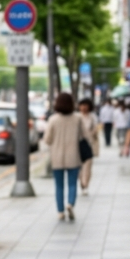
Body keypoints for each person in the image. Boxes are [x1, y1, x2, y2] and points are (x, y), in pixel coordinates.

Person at [42, 92, 84, 221]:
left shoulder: (53, 119)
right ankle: (70, 204)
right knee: (72, 184)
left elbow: (47, 139)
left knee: (59, 185)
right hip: (73, 156)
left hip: (57, 157)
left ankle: (60, 212)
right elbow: (82, 136)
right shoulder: (77, 119)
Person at [76, 98, 100, 195]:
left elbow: (95, 129)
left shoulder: (92, 117)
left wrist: (90, 135)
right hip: (77, 144)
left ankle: (85, 184)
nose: (84, 107)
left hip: (89, 143)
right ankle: (82, 182)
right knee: (79, 166)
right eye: (82, 105)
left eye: (86, 105)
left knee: (88, 166)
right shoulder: (77, 117)